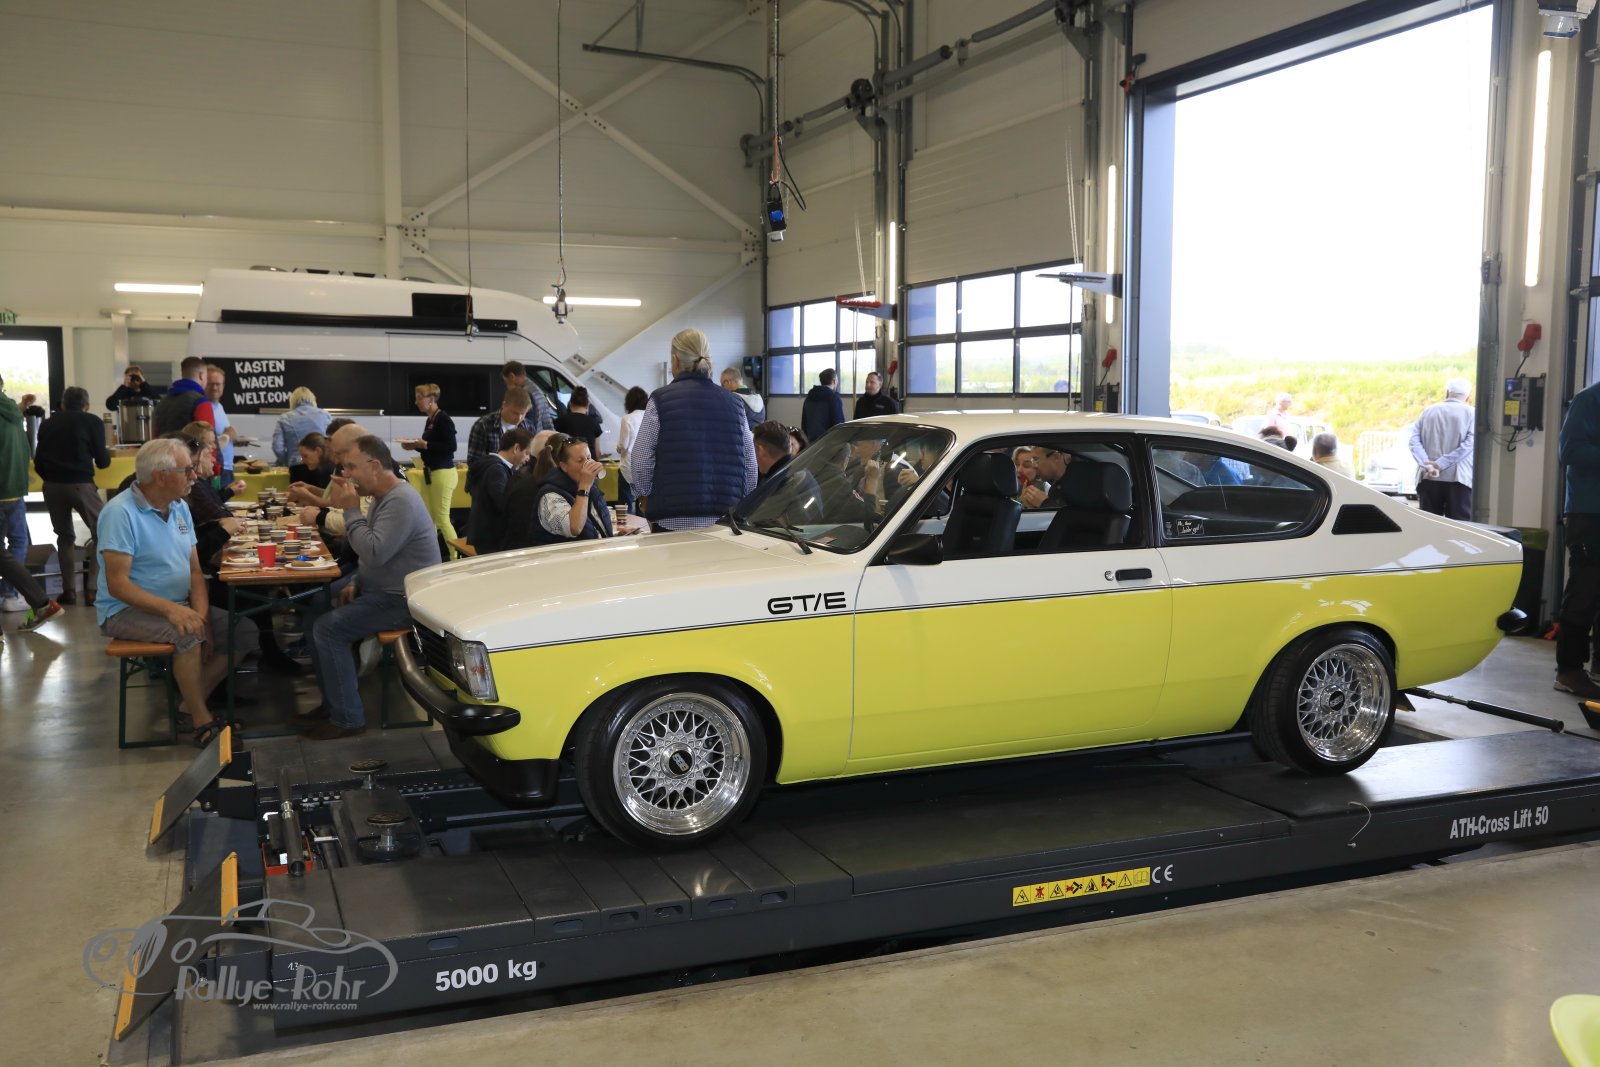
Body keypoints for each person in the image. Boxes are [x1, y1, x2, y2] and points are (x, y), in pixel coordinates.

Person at [96, 438, 254, 748]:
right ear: (161, 476)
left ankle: (186, 707)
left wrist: (202, 617)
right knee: (187, 634)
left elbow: (195, 571)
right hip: (123, 611)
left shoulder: (179, 507)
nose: (194, 476)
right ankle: (202, 722)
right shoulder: (120, 513)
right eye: (187, 470)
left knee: (243, 631)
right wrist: (174, 611)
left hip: (178, 605)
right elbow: (118, 585)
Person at [299, 434, 441, 739]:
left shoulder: (400, 501)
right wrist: (356, 580)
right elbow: (375, 558)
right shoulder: (383, 497)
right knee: (314, 608)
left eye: (351, 467)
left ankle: (348, 718)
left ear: (375, 466)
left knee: (328, 629)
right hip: (386, 589)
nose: (346, 474)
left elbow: (375, 551)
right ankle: (334, 701)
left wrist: (351, 510)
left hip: (406, 599)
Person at [626, 328, 757, 531]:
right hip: (725, 521)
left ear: (675, 360)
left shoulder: (660, 400)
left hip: (671, 517)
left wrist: (644, 495)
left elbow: (641, 459)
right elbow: (750, 466)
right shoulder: (736, 404)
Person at [34, 386, 111, 605]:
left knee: (64, 537)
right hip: (80, 485)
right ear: (86, 406)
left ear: (62, 404)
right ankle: (92, 590)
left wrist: (51, 478)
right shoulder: (92, 421)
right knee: (103, 532)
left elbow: (39, 460)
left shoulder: (48, 423)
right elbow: (103, 461)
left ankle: (69, 591)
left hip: (52, 486)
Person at [1554, 379, 1600, 698]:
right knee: (1584, 591)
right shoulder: (1589, 400)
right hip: (1589, 514)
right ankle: (1569, 670)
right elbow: (1568, 451)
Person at [508, 434, 627, 547]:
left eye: (588, 458)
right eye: (580, 460)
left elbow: (596, 526)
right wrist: (584, 487)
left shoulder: (591, 487)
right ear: (564, 466)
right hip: (562, 560)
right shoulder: (550, 495)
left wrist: (613, 537)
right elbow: (574, 528)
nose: (587, 464)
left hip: (595, 556)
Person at [400, 383, 460, 550]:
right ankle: (431, 553)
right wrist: (414, 446)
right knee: (429, 518)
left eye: (419, 398)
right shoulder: (430, 419)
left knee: (442, 519)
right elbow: (432, 446)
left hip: (443, 472)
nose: (416, 402)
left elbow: (451, 446)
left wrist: (425, 444)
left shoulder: (444, 419)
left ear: (431, 399)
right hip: (431, 472)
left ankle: (456, 557)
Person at [1409, 378, 1474, 520]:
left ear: (1447, 393)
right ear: (1468, 396)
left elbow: (1414, 442)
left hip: (1428, 477)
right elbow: (1469, 444)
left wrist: (1428, 465)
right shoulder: (1471, 413)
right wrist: (1440, 464)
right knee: (1459, 526)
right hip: (1459, 479)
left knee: (1429, 524)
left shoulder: (1428, 411)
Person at [467, 427, 534, 554]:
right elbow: (503, 503)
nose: (528, 459)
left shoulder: (490, 464)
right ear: (516, 448)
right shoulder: (496, 470)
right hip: (491, 538)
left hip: (486, 535)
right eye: (527, 453)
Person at [0, 374, 34, 614]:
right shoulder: (10, 411)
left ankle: (6, 592)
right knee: (18, 541)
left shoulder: (11, 410)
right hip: (12, 489)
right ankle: (10, 593)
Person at [465, 385, 534, 468]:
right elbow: (474, 463)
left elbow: (532, 460)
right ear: (504, 405)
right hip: (491, 475)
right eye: (515, 413)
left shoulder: (528, 427)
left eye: (523, 414)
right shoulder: (483, 425)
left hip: (519, 475)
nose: (519, 418)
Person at [154, 356, 217, 438]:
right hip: (188, 447)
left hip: (163, 446)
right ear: (201, 375)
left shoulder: (162, 403)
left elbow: (155, 437)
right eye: (206, 377)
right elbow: (207, 440)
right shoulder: (200, 402)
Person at [271, 386, 331, 465]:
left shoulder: (285, 418)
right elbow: (331, 441)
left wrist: (287, 461)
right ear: (313, 400)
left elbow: (277, 447)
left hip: (296, 463)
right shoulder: (325, 415)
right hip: (321, 462)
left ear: (292, 401)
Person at [204, 364, 243, 483]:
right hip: (214, 468)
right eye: (211, 384)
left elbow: (219, 439)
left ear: (223, 386)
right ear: (204, 383)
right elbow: (198, 443)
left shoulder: (219, 407)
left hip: (227, 467)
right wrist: (227, 435)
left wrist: (234, 440)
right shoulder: (203, 407)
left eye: (218, 384)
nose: (214, 388)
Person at [615, 386, 648, 512]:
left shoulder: (627, 419)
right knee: (644, 502)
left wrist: (618, 448)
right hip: (646, 466)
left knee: (626, 502)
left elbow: (623, 445)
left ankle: (627, 523)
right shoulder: (652, 417)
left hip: (629, 466)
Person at [502, 360, 554, 432]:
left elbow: (527, 424)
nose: (507, 386)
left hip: (530, 436)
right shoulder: (536, 390)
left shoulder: (525, 394)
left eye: (506, 381)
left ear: (512, 376)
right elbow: (547, 422)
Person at [553, 385, 603, 457]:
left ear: (570, 404)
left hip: (568, 462)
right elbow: (597, 453)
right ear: (588, 405)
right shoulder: (594, 423)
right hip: (589, 462)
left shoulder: (559, 422)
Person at [801, 368, 846, 443]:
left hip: (812, 443)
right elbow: (839, 425)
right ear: (834, 381)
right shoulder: (833, 398)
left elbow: (804, 423)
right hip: (829, 443)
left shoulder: (809, 397)